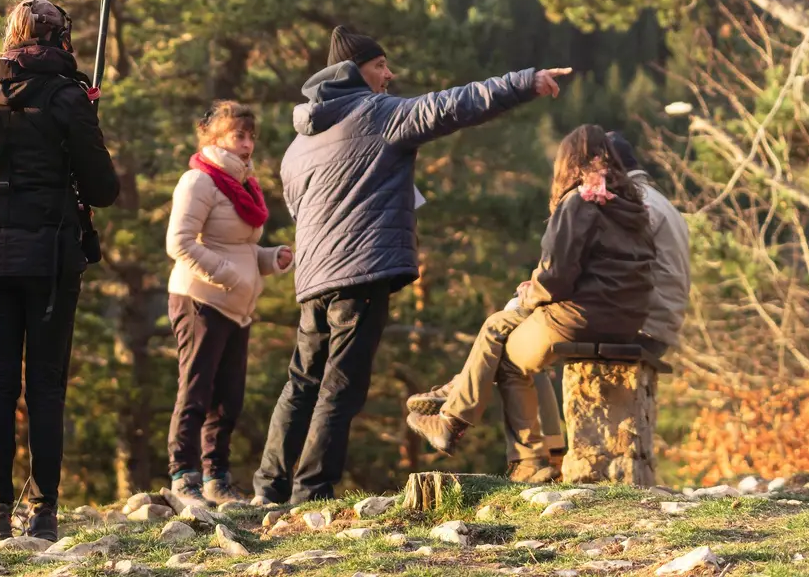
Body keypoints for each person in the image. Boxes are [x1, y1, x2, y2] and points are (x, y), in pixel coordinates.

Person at [252, 26, 569, 504]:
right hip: (359, 273)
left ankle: (268, 489)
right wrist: (526, 80)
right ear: (356, 72)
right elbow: (456, 104)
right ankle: (311, 491)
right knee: (341, 386)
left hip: (313, 278)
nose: (390, 74)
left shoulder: (298, 145)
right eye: (381, 66)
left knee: (302, 381)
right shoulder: (378, 115)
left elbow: (300, 211)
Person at [405, 125, 656, 476]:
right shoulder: (633, 206)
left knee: (502, 346)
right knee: (502, 328)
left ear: (568, 162)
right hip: (627, 318)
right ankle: (456, 402)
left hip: (582, 317)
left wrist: (531, 292)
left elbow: (556, 276)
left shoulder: (579, 201)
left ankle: (517, 456)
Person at [0, 0, 119, 543]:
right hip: (48, 254)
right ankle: (44, 513)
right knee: (45, 385)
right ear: (60, 38)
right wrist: (88, 122)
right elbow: (103, 188)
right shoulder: (68, 94)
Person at [164, 101, 291, 505]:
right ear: (215, 138)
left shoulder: (242, 185)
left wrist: (270, 259)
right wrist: (231, 278)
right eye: (239, 135)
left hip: (236, 305)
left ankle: (216, 475)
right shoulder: (198, 181)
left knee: (229, 395)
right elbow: (179, 244)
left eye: (252, 136)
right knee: (197, 389)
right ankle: (184, 474)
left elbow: (238, 247)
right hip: (199, 299)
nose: (248, 143)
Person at [607, 130, 690, 354]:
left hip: (643, 328)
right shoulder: (659, 201)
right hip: (662, 326)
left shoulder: (635, 204)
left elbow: (615, 265)